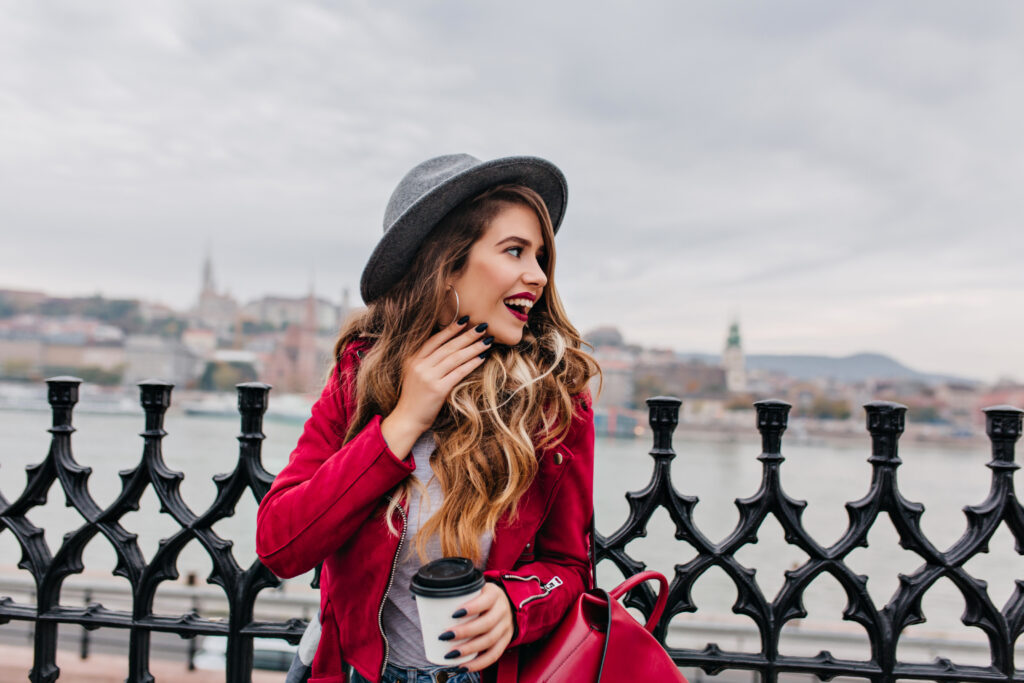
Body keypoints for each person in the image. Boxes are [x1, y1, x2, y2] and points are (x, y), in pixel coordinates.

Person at [256, 154, 599, 683]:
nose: (537, 274)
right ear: (445, 265)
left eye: (540, 255)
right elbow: (281, 544)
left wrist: (515, 605)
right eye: (514, 251)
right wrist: (402, 423)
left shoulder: (555, 400)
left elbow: (570, 569)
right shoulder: (359, 375)